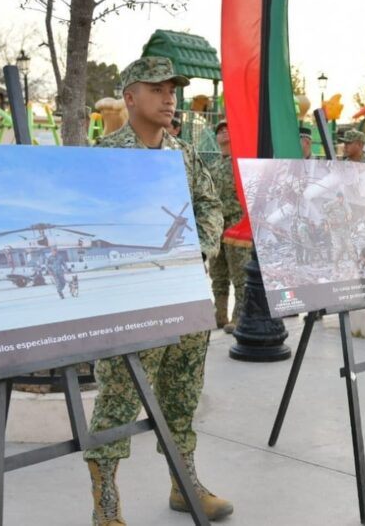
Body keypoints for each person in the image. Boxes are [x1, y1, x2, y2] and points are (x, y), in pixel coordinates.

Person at [85, 56, 231, 524]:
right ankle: (106, 503)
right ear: (130, 97)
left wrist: (199, 250)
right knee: (118, 400)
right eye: (157, 89)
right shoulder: (107, 157)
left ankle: (183, 483)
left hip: (185, 294)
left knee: (181, 394)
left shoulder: (182, 152)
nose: (170, 97)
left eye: (173, 89)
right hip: (131, 302)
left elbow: (210, 205)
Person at [206, 120, 248, 334]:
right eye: (219, 131)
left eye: (227, 130)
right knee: (218, 273)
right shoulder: (212, 166)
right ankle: (219, 314)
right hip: (217, 225)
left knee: (239, 273)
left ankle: (239, 316)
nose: (223, 133)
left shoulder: (242, 162)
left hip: (236, 224)